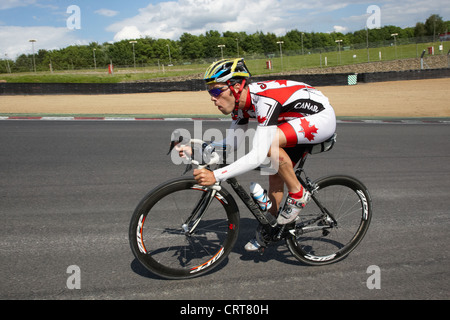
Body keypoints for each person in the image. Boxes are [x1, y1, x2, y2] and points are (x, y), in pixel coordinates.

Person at [179, 58, 336, 252]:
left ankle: (298, 194)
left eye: (216, 90)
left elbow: (256, 155)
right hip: (292, 120)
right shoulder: (240, 106)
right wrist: (199, 147)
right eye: (210, 91)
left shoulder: (264, 100)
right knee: (274, 174)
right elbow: (232, 143)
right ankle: (272, 229)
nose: (212, 97)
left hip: (319, 118)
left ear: (236, 87)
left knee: (268, 146)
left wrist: (216, 176)